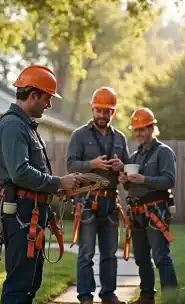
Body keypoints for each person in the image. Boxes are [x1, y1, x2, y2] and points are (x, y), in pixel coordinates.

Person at [0, 64, 81, 304]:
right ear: (33, 96)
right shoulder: (13, 126)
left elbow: (29, 173)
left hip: (31, 213)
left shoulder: (25, 125)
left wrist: (57, 187)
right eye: (47, 99)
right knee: (20, 285)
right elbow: (20, 173)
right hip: (21, 214)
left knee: (30, 283)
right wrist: (57, 182)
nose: (49, 105)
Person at [66, 86, 130, 304]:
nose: (102, 115)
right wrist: (91, 164)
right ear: (92, 109)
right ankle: (85, 297)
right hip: (87, 202)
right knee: (86, 254)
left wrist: (123, 166)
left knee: (110, 253)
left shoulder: (121, 138)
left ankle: (108, 294)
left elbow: (128, 168)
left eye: (107, 111)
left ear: (113, 112)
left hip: (111, 202)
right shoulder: (79, 135)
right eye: (98, 110)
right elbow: (71, 164)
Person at [118, 108, 178, 304]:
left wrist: (143, 179)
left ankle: (170, 299)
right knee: (141, 258)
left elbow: (169, 180)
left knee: (161, 257)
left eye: (142, 129)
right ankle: (146, 297)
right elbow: (130, 186)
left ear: (152, 128)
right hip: (136, 213)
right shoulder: (134, 157)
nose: (138, 134)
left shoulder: (164, 152)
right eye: (136, 130)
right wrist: (125, 181)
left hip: (155, 211)